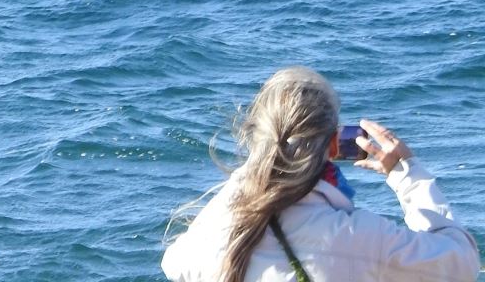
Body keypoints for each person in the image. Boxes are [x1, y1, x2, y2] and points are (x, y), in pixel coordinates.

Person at [162, 66, 479, 282]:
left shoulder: (212, 235)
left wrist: (255, 168)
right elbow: (461, 264)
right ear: (332, 145)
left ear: (256, 137)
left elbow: (173, 263)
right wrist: (405, 172)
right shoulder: (359, 236)